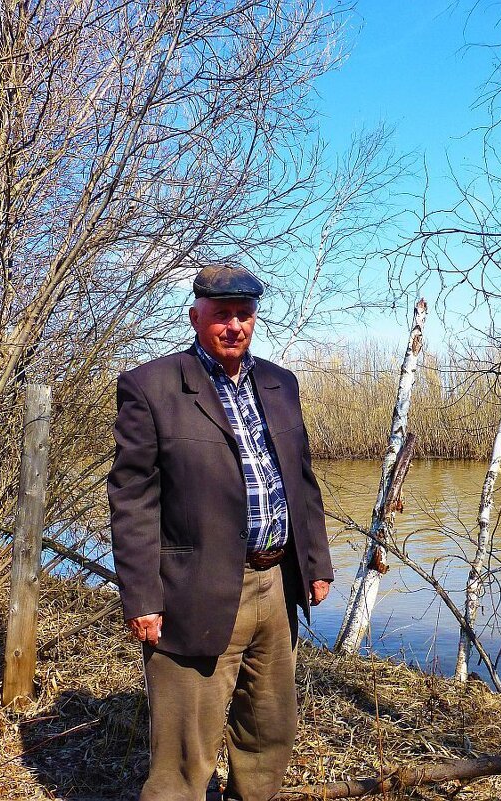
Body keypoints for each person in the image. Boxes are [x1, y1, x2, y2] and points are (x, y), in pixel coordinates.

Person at [107, 262, 334, 801]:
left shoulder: (280, 382)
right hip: (196, 589)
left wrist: (316, 561)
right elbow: (132, 498)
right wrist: (142, 595)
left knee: (269, 732)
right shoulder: (152, 387)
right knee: (185, 755)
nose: (235, 325)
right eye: (221, 314)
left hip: (275, 585)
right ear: (195, 317)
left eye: (244, 314)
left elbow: (300, 479)